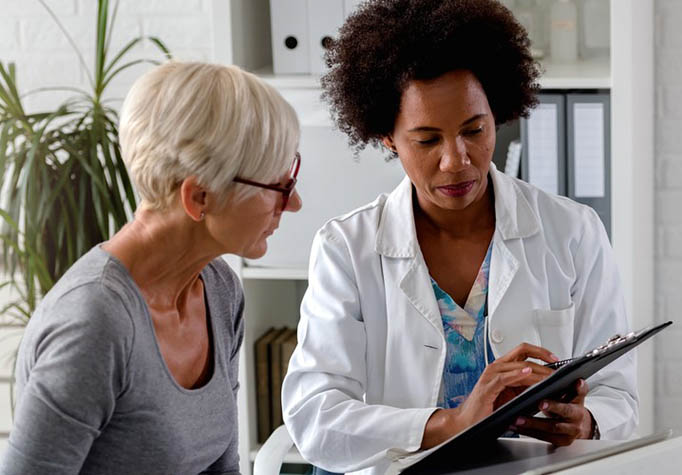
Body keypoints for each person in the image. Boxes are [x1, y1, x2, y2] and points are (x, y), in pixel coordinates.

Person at [281, 1, 637, 473]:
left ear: (498, 114)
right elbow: (315, 418)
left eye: (474, 130)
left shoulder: (574, 232)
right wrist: (452, 423)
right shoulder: (346, 249)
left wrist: (587, 422)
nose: (456, 160)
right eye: (427, 140)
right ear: (387, 136)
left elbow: (619, 396)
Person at [0, 61, 303, 474]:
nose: (294, 203)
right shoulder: (94, 324)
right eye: (279, 187)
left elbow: (220, 467)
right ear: (199, 198)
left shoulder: (220, 290)